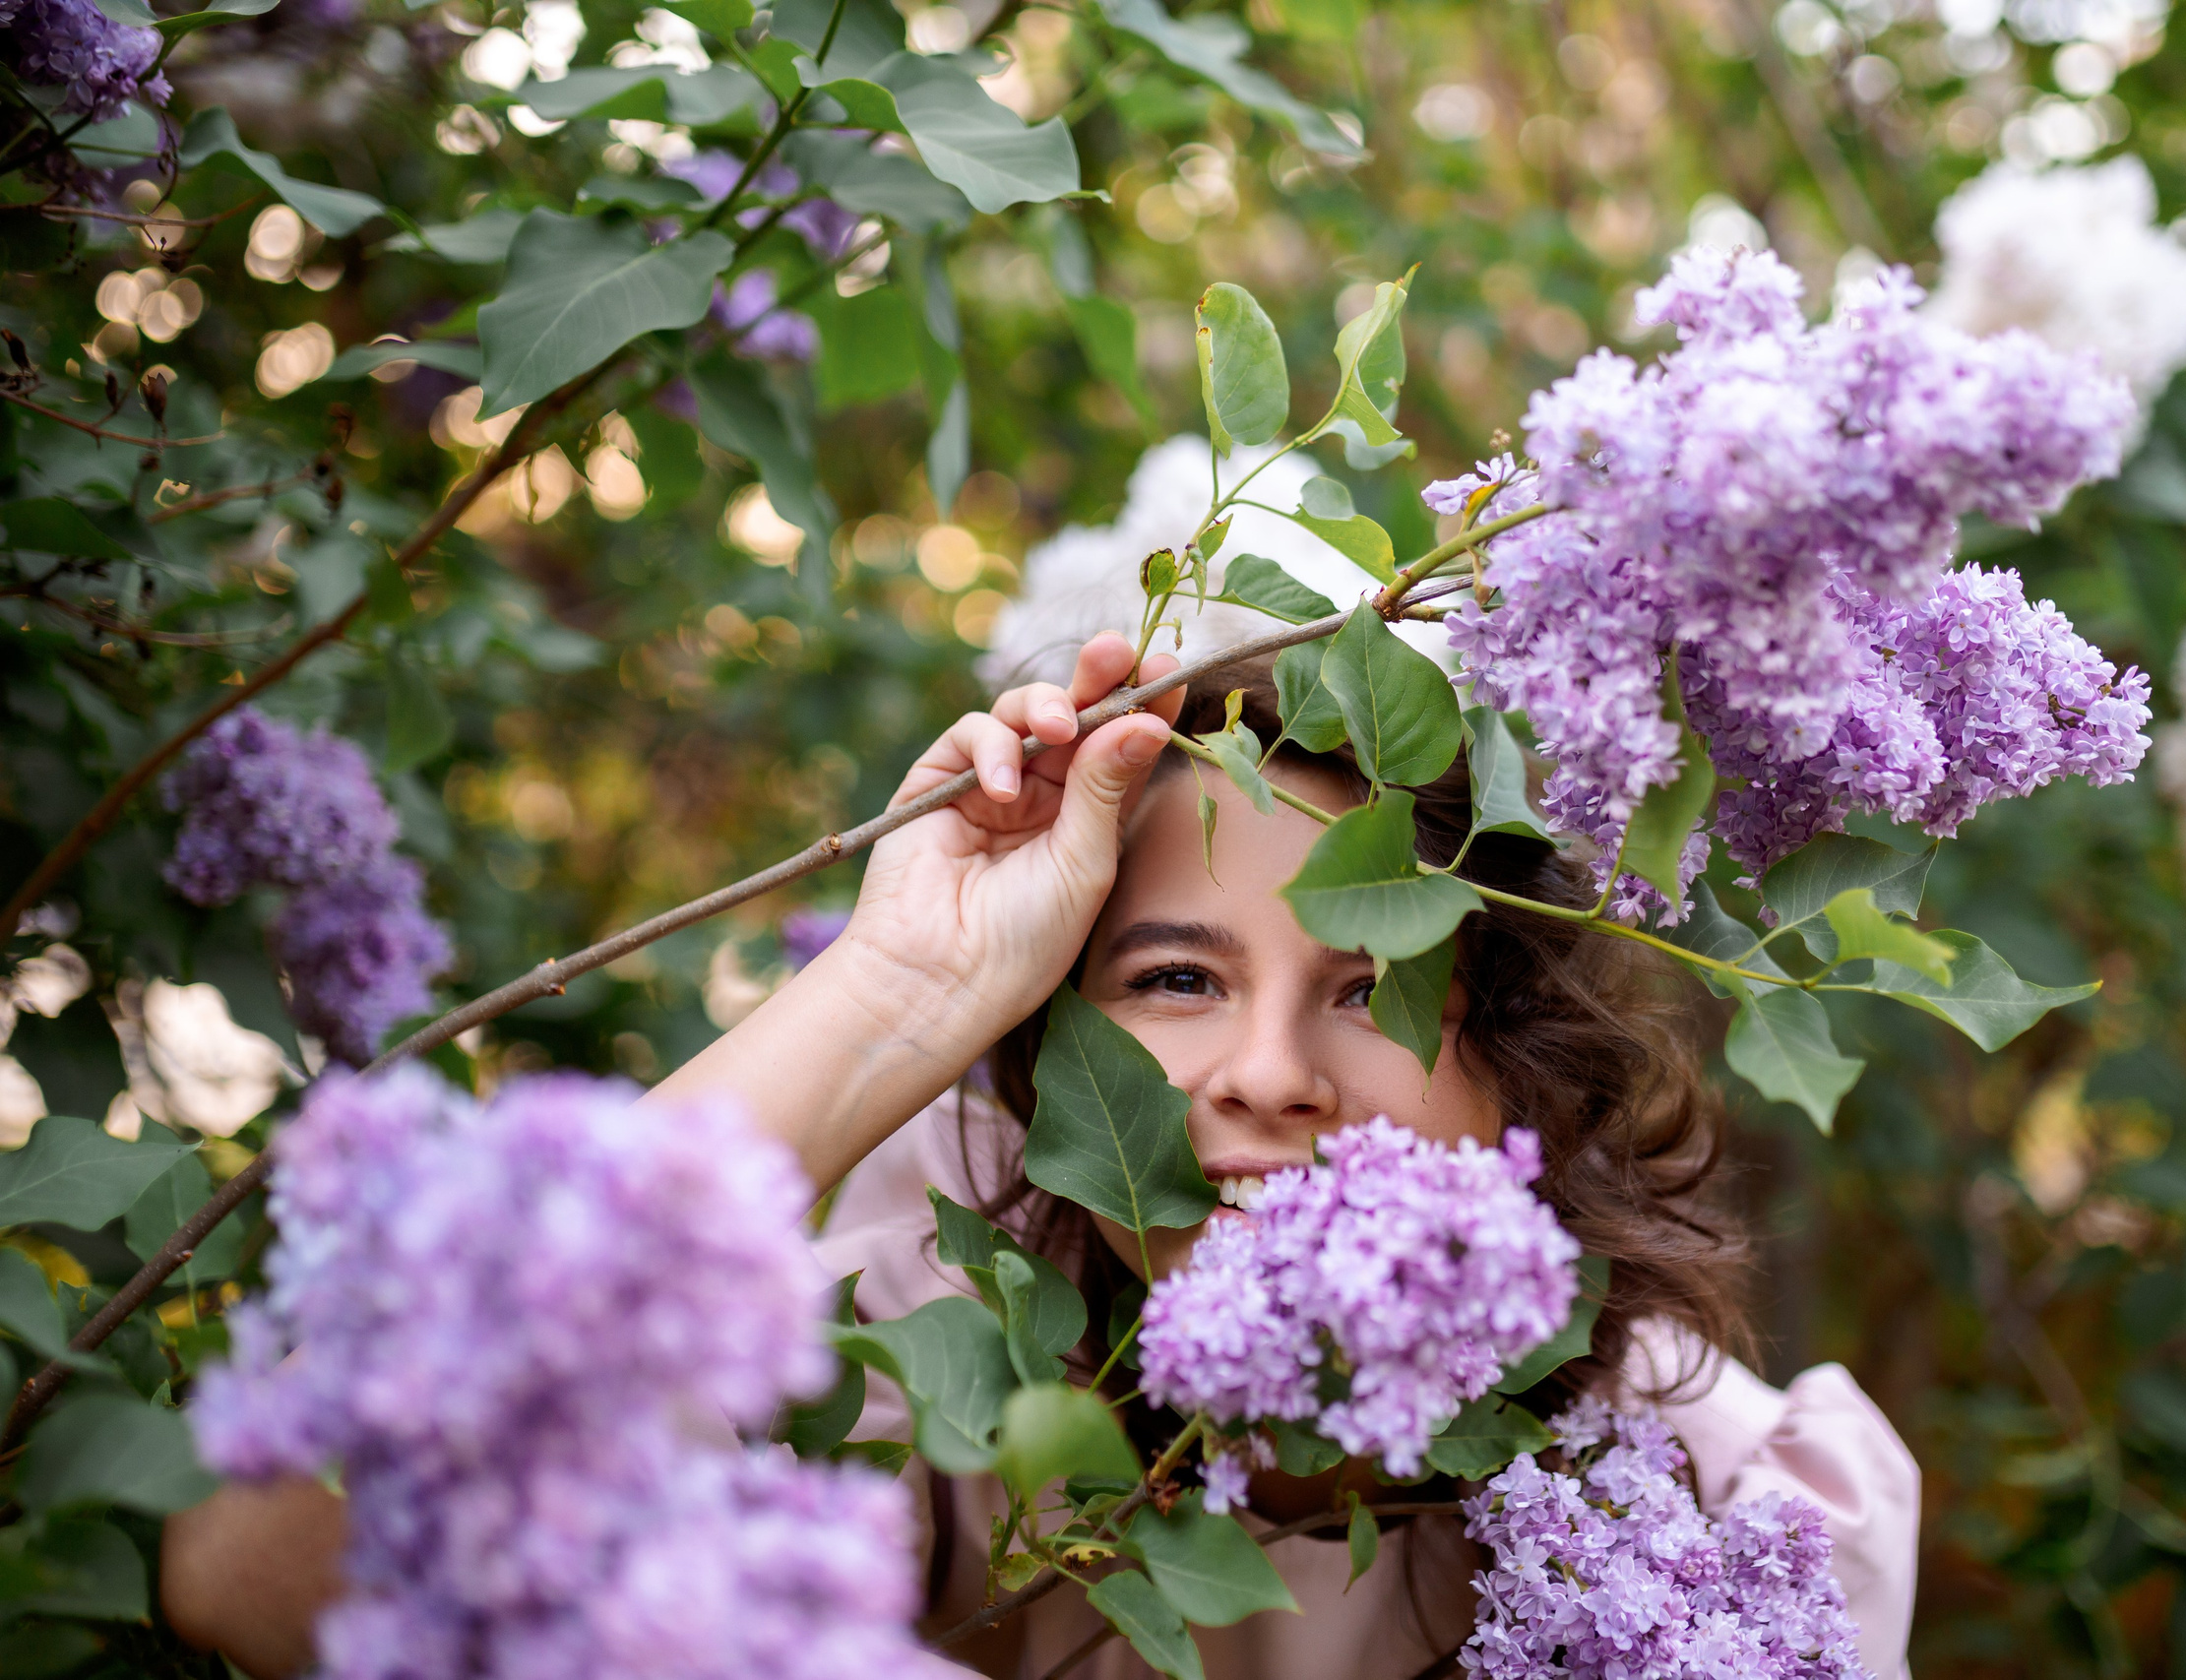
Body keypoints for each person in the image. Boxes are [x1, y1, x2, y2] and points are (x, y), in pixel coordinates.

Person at [162, 632, 1919, 1679]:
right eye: (1176, 981)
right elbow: (263, 1572)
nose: (1267, 1076)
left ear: (1526, 1078)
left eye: (1379, 989)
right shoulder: (916, 1372)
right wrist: (898, 985)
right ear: (1052, 1052)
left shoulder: (1706, 1504)